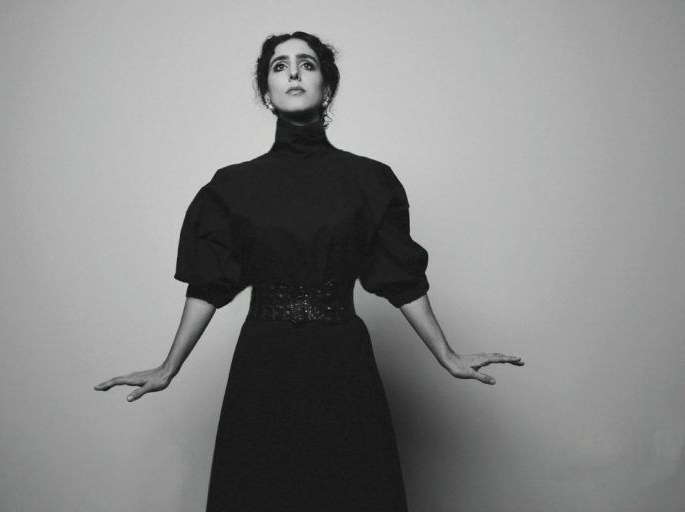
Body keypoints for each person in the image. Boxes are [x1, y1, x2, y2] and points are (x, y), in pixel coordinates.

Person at [94, 31, 524, 511]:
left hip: (342, 361)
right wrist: (169, 366)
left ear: (327, 87)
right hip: (264, 362)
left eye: (307, 63)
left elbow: (400, 278)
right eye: (279, 66)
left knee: (350, 490)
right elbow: (209, 284)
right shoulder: (232, 186)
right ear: (266, 93)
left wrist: (446, 354)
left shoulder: (369, 180)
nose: (294, 72)